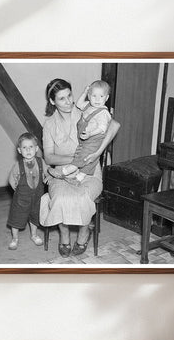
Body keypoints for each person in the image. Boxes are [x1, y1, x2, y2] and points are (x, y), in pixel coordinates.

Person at [40, 78, 120, 258]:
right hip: (62, 171)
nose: (68, 102)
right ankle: (64, 234)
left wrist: (98, 151)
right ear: (52, 101)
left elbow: (114, 125)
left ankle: (84, 231)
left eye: (69, 95)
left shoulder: (85, 110)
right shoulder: (49, 125)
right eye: (61, 99)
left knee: (83, 197)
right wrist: (74, 158)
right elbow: (49, 157)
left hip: (90, 172)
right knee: (60, 198)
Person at [48, 80, 111, 184]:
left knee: (82, 158)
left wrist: (92, 136)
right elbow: (79, 103)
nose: (97, 99)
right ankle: (78, 179)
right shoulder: (88, 106)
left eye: (101, 96)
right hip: (86, 141)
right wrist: (85, 93)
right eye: (94, 96)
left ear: (106, 98)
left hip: (94, 139)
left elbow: (103, 128)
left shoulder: (103, 112)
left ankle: (64, 172)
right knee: (85, 161)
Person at [7, 133, 48, 250]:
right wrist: (18, 191)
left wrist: (48, 179)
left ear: (36, 149)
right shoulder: (17, 165)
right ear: (19, 150)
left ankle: (34, 235)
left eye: (31, 147)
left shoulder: (41, 162)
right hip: (21, 198)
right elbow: (11, 179)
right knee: (16, 218)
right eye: (24, 148)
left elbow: (47, 174)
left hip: (37, 197)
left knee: (35, 217)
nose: (28, 150)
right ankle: (15, 238)